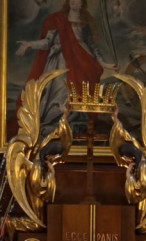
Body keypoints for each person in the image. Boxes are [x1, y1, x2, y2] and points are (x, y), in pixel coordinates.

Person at [9, 0, 115, 140]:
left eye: (77, 0)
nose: (74, 2)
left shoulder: (85, 23)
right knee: (59, 90)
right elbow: (47, 43)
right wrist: (29, 44)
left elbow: (93, 47)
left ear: (82, 3)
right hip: (61, 62)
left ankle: (74, 126)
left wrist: (105, 64)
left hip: (83, 60)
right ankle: (55, 125)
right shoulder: (57, 20)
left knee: (80, 92)